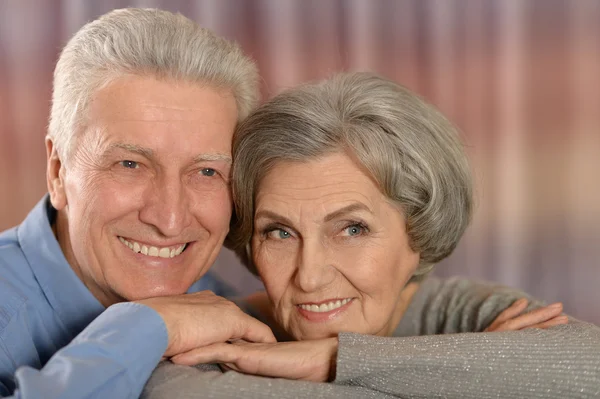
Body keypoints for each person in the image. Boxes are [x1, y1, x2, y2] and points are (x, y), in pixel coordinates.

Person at [143, 73, 600, 399]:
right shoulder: (218, 339)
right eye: (279, 232)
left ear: (418, 229)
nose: (311, 277)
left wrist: (337, 361)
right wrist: (482, 378)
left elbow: (589, 366)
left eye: (352, 229)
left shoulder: (454, 310)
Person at [0, 8, 278, 398]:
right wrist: (148, 328)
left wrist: (332, 355)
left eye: (206, 172)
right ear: (58, 171)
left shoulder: (219, 302)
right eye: (130, 164)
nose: (169, 219)